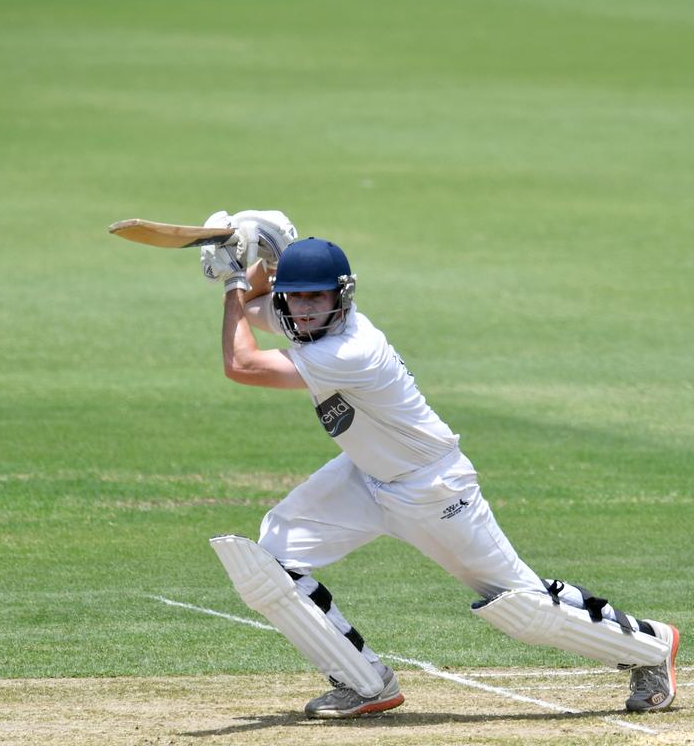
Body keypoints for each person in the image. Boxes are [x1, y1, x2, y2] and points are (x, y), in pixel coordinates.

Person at [200, 210, 679, 719]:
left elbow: (242, 364)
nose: (304, 309)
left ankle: (651, 647)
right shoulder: (306, 319)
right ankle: (363, 684)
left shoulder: (352, 348)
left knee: (522, 609)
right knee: (270, 560)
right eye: (295, 296)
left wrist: (234, 275)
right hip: (365, 475)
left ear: (342, 296)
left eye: (316, 296)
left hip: (432, 488)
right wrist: (259, 254)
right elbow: (253, 307)